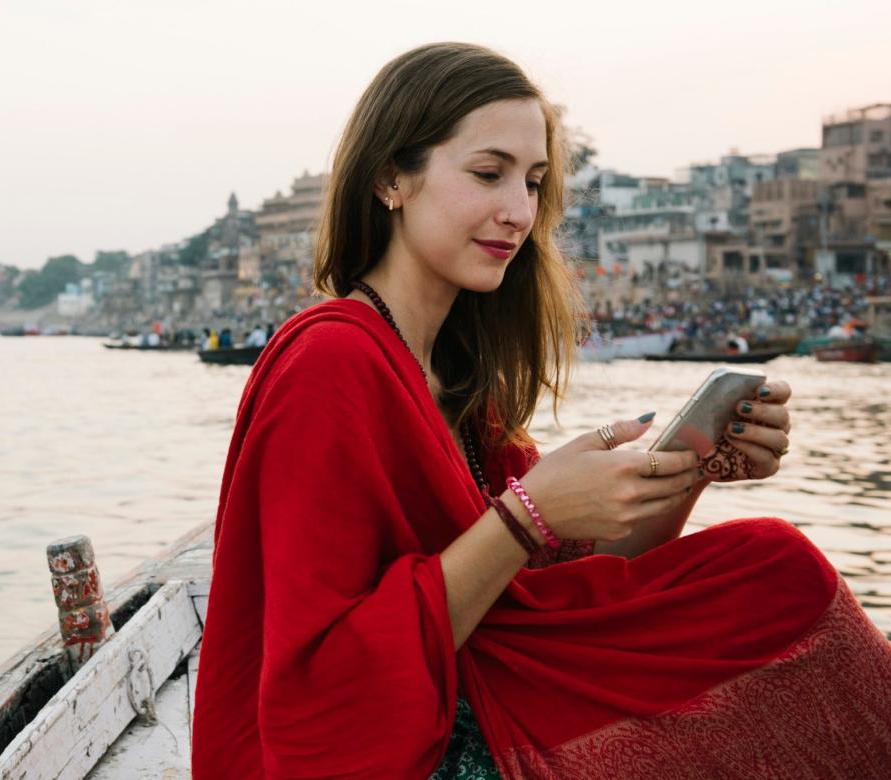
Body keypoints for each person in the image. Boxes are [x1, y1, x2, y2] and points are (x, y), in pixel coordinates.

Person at [191, 42, 891, 779]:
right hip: (395, 748)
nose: (519, 212)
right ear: (390, 178)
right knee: (774, 571)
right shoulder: (329, 363)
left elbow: (555, 596)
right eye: (489, 175)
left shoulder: (455, 375)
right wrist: (527, 516)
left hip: (479, 691)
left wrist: (693, 469)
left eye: (533, 182)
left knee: (768, 570)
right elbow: (323, 687)